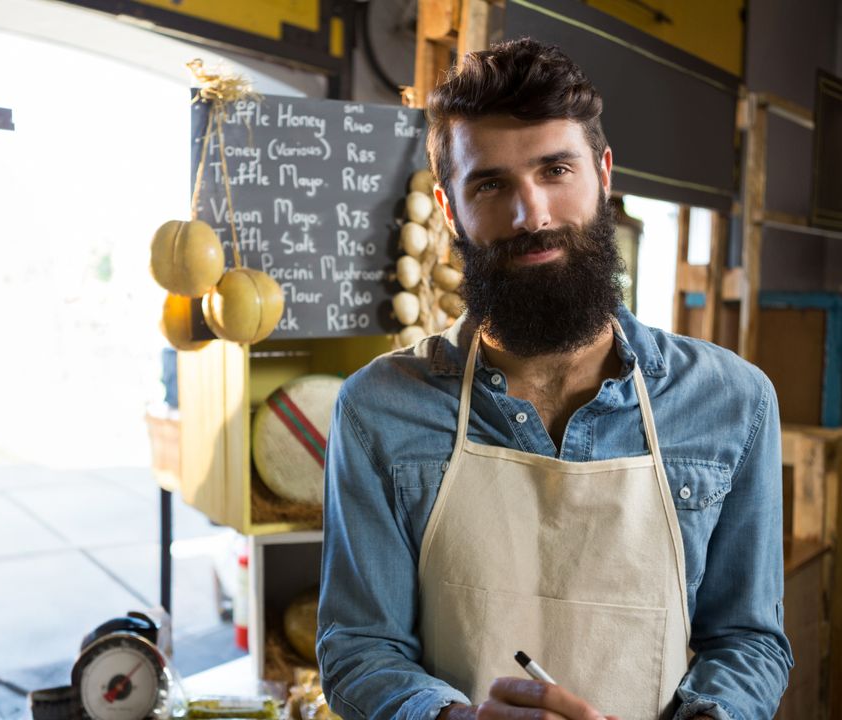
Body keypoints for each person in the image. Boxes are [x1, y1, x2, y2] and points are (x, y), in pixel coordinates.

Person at [317, 38, 792, 720]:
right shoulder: (377, 411)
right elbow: (360, 647)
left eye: (554, 170)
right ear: (450, 209)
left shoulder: (734, 403)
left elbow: (748, 640)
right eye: (490, 184)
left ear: (602, 173)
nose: (531, 214)